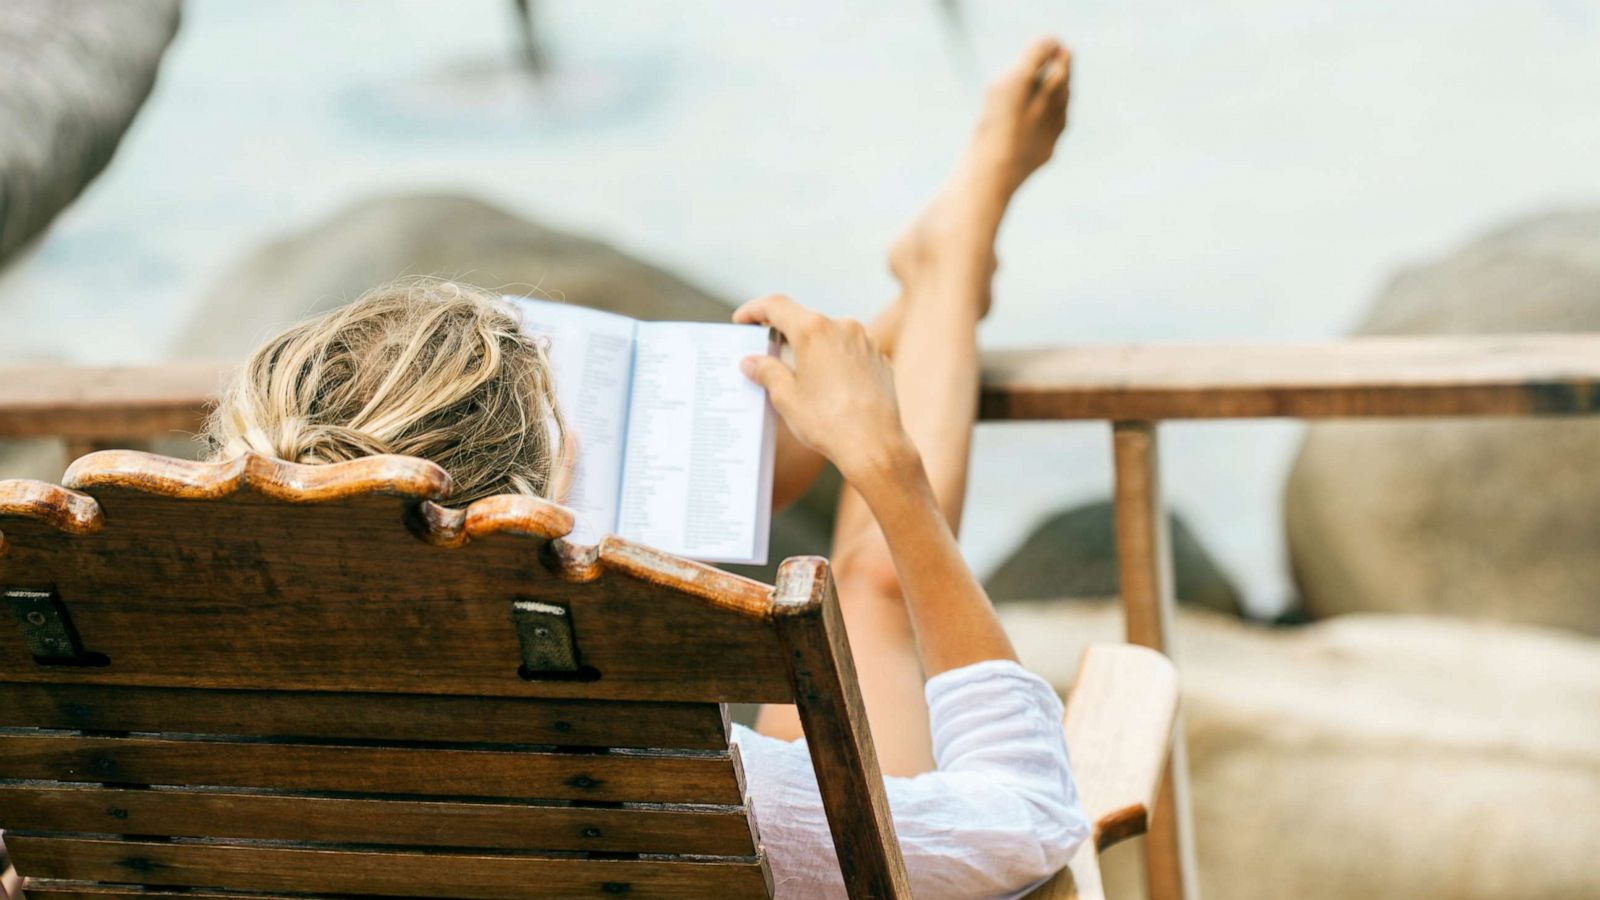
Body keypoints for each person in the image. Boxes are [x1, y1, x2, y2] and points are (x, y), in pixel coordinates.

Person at [203, 37, 1082, 900]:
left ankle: (934, 284)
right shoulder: (699, 787)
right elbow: (1027, 818)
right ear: (542, 493)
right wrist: (891, 473)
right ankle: (947, 269)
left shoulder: (185, 738)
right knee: (874, 591)